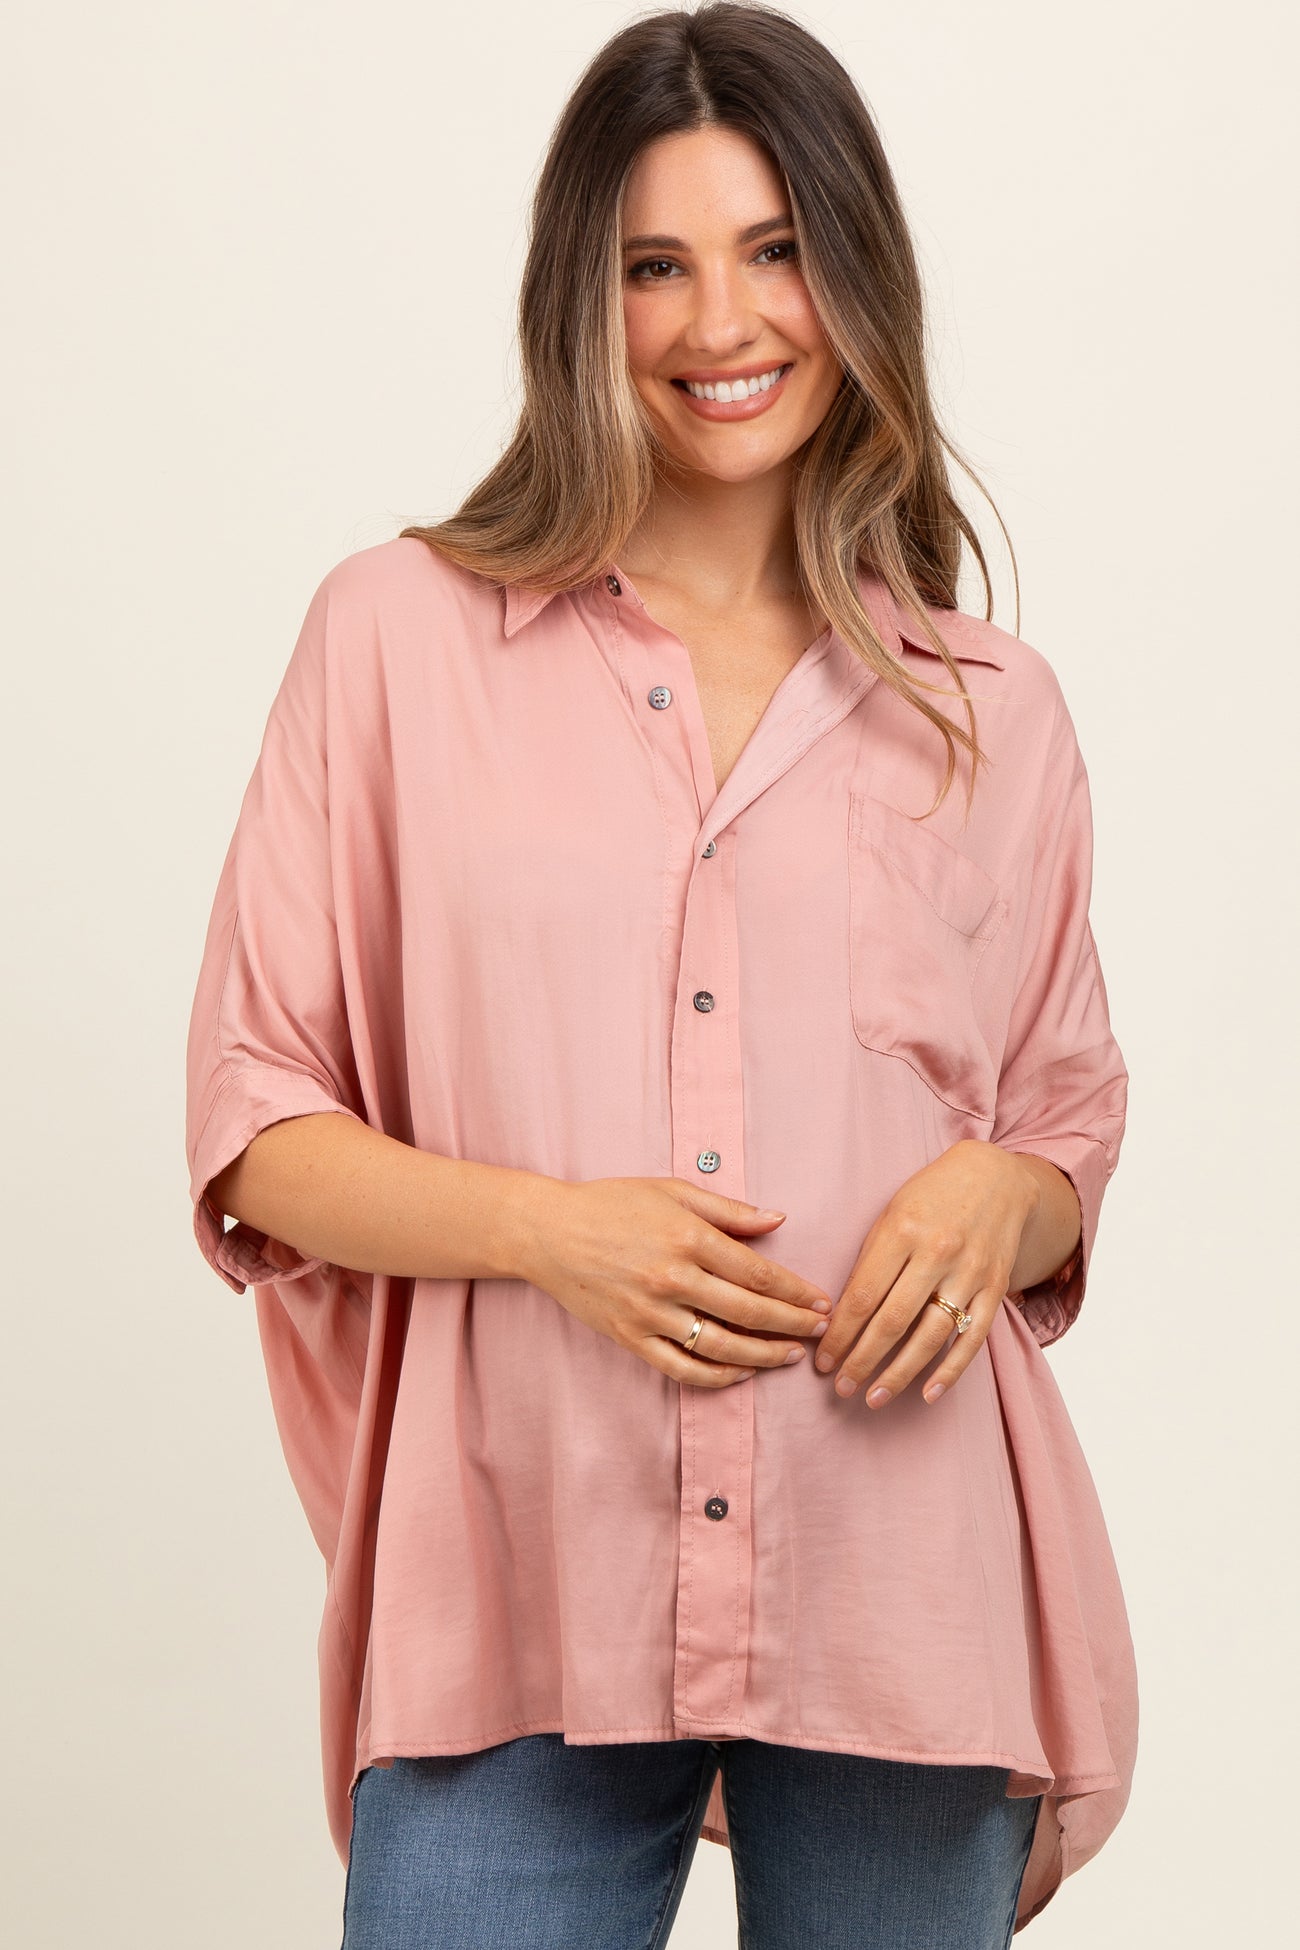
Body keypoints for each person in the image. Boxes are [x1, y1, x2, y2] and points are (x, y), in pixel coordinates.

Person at [184, 5, 1137, 1945]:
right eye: (654, 266)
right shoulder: (395, 640)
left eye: (775, 250)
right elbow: (255, 1121)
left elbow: (1061, 1111)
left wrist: (1002, 1189)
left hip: (896, 1581)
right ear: (581, 298)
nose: (723, 322)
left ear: (854, 273)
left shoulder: (991, 710)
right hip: (520, 1570)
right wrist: (555, 1234)